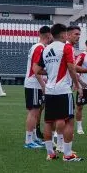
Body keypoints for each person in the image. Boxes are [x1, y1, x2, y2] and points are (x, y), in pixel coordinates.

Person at [33, 23, 82, 162]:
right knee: (68, 122)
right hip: (63, 90)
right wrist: (78, 85)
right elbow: (72, 68)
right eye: (66, 33)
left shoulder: (46, 49)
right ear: (62, 34)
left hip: (49, 90)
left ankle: (51, 154)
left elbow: (36, 69)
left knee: (49, 122)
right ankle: (67, 154)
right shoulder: (67, 47)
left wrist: (50, 71)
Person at [23, 25, 52, 149]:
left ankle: (34, 137)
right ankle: (28, 140)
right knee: (33, 112)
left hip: (34, 84)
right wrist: (43, 85)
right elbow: (36, 70)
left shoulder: (39, 47)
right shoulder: (39, 48)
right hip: (34, 84)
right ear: (48, 35)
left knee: (35, 112)